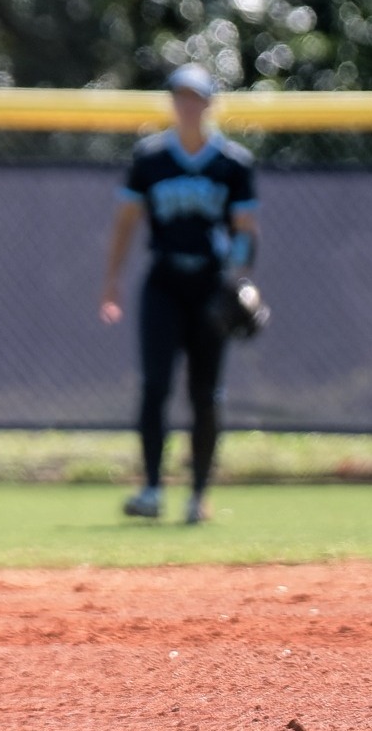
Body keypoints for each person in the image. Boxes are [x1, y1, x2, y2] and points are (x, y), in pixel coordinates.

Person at [99, 63, 260, 525]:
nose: (187, 105)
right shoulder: (150, 159)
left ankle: (198, 496)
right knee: (155, 386)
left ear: (209, 103)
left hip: (211, 286)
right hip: (164, 282)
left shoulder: (233, 163)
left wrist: (243, 279)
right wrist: (111, 279)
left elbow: (246, 229)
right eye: (180, 97)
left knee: (206, 393)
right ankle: (151, 488)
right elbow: (127, 222)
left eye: (195, 97)